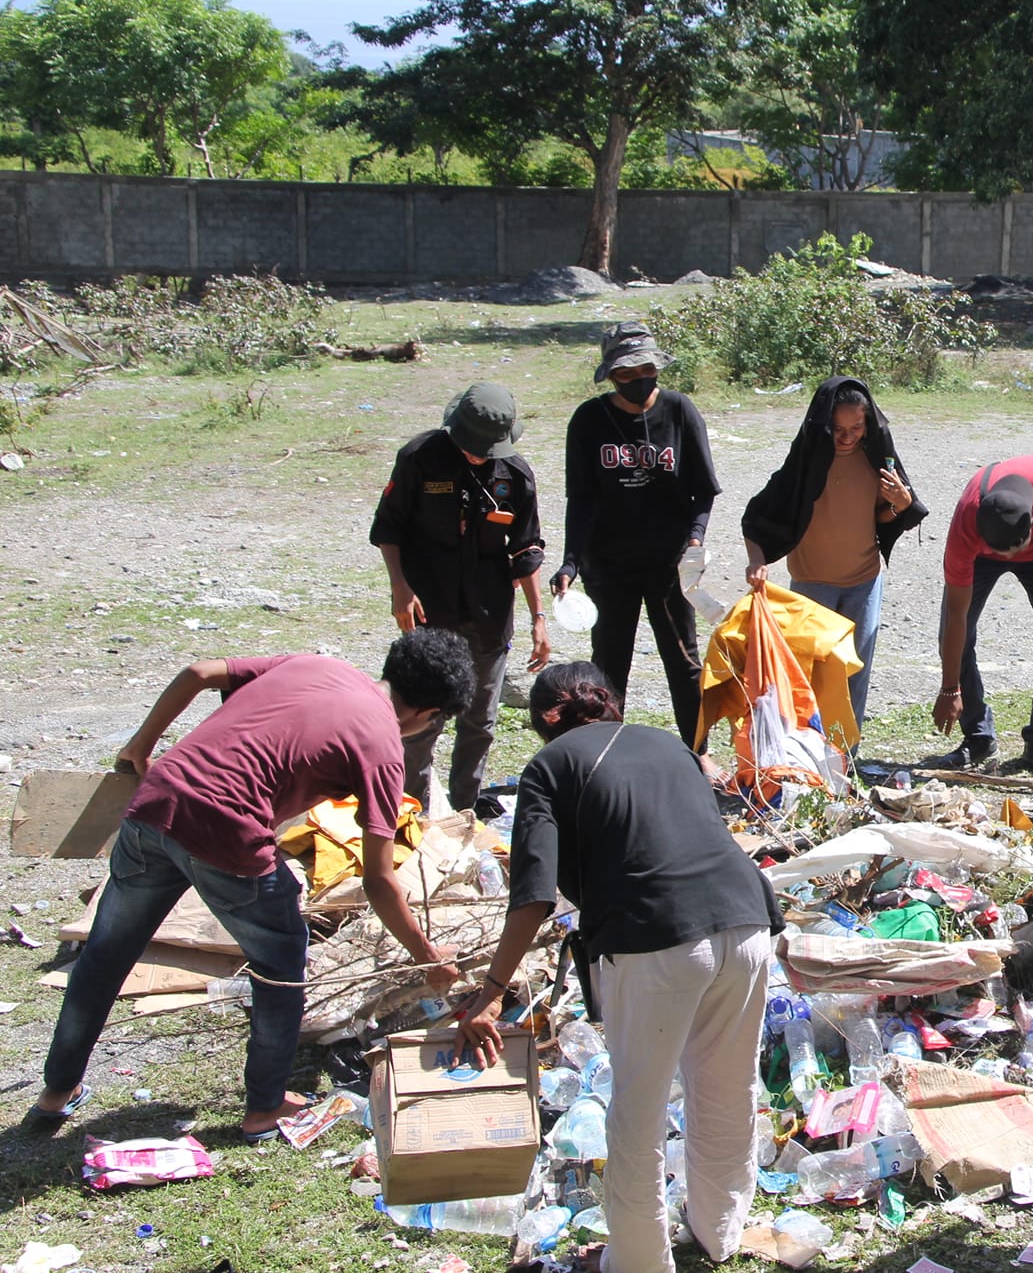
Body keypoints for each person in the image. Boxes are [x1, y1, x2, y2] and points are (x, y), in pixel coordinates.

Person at [28, 630, 473, 1139]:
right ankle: (263, 1106)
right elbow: (378, 878)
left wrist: (140, 745)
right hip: (227, 835)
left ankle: (56, 1092)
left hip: (156, 803)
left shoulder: (315, 665)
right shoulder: (383, 748)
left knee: (106, 952)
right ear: (430, 713)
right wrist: (426, 954)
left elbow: (199, 672)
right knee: (281, 963)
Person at [456, 662, 781, 1269]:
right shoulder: (668, 742)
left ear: (543, 722)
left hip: (656, 938)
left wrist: (493, 989)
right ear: (611, 702)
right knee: (726, 1087)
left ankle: (636, 1261)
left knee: (638, 1108)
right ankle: (720, 1231)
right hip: (746, 920)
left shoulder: (550, 767)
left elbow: (534, 894)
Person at [370, 382, 550, 812]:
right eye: (473, 447)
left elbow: (526, 549)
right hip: (430, 611)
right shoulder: (419, 458)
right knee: (419, 718)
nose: (480, 455)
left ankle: (464, 810)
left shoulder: (516, 476)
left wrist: (538, 617)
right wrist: (400, 587)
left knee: (480, 721)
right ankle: (411, 809)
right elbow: (389, 528)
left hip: (489, 614)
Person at [552, 323, 721, 742]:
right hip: (608, 565)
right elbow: (582, 498)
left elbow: (703, 488)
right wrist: (571, 560)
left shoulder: (679, 411)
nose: (636, 380)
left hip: (670, 564)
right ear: (610, 375)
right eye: (625, 374)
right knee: (608, 667)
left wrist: (696, 539)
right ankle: (607, 753)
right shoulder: (589, 420)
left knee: (684, 661)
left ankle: (697, 754)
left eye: (644, 369)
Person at [742, 376, 925, 732]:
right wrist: (756, 561)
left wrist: (901, 505)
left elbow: (880, 517)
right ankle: (810, 756)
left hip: (864, 583)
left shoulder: (876, 461)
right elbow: (755, 519)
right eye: (838, 428)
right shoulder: (805, 466)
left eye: (857, 427)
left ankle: (845, 759)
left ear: (868, 423)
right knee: (810, 676)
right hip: (813, 587)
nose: (847, 436)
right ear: (823, 425)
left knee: (854, 674)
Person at [929, 455, 1033, 769]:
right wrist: (949, 688)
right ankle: (979, 739)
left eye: (1013, 550)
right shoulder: (966, 528)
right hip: (981, 555)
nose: (1008, 557)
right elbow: (957, 615)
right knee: (955, 635)